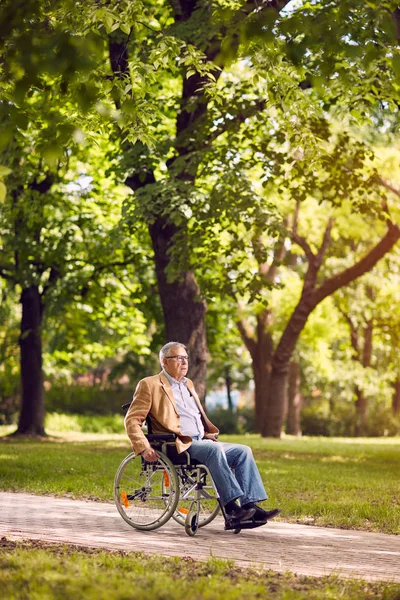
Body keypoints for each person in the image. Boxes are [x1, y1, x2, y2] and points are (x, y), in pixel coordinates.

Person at [124, 341, 280, 529]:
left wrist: (206, 433)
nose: (184, 362)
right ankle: (231, 510)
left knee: (243, 451)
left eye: (186, 358)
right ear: (165, 362)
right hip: (177, 444)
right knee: (213, 450)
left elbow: (192, 415)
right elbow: (132, 420)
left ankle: (249, 506)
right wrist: (143, 446)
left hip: (201, 441)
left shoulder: (188, 384)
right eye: (178, 358)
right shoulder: (149, 385)